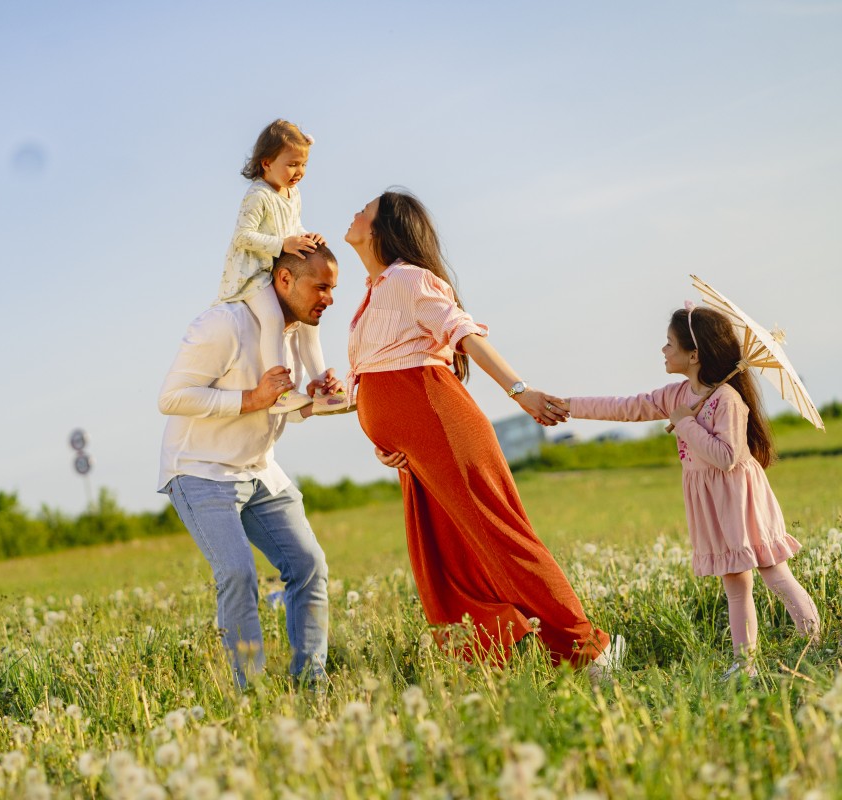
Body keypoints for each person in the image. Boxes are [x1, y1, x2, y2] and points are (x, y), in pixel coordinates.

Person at [342, 189, 623, 676]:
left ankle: (588, 652)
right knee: (442, 553)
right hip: (417, 447)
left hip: (443, 425)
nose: (354, 212)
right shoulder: (373, 291)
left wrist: (520, 391)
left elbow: (463, 334)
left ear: (384, 228)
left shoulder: (410, 280)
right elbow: (375, 378)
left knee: (500, 536)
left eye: (364, 209)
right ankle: (501, 649)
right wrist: (385, 440)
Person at [554, 304, 821, 678]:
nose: (663, 351)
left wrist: (685, 425)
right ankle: (744, 665)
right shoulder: (677, 394)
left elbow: (725, 457)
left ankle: (814, 640)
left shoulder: (728, 400)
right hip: (712, 502)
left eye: (669, 344)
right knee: (735, 583)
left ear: (694, 354)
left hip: (741, 499)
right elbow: (626, 407)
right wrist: (568, 407)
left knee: (772, 571)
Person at [159, 246, 342, 686]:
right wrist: (251, 399)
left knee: (310, 564)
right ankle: (251, 693)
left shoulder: (298, 333)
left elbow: (285, 407)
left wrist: (316, 400)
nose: (329, 299)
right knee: (238, 572)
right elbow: (172, 397)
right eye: (320, 286)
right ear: (284, 280)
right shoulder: (223, 324)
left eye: (333, 289)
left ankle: (311, 684)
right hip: (199, 469)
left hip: (260, 469)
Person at [217, 118, 353, 417]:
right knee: (273, 318)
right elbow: (242, 236)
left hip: (280, 270)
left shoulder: (293, 194)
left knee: (308, 327)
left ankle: (322, 389)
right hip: (253, 273)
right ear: (266, 163)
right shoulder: (258, 195)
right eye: (292, 164)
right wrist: (283, 245)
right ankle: (281, 390)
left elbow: (293, 227)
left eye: (303, 165)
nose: (299, 172)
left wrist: (306, 235)